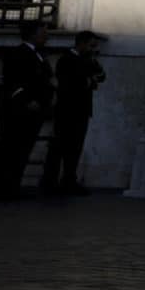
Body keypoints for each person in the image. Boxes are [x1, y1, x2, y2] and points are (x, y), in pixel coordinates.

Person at [0, 20, 53, 200]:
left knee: (22, 150)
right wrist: (27, 101)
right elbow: (13, 81)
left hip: (36, 110)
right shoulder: (18, 54)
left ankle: (12, 185)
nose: (47, 36)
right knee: (10, 148)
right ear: (33, 34)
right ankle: (0, 186)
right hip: (18, 111)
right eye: (43, 32)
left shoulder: (40, 55)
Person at [41, 31, 105, 195]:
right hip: (67, 110)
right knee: (59, 147)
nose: (93, 50)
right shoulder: (66, 59)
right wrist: (89, 81)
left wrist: (90, 79)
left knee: (75, 148)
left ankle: (69, 181)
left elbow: (101, 75)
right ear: (81, 43)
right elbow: (69, 83)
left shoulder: (88, 60)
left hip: (82, 110)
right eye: (91, 46)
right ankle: (50, 182)